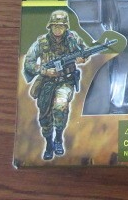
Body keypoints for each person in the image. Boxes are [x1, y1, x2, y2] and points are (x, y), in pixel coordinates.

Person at [23, 10, 87, 160]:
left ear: (66, 27)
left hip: (66, 81)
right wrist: (44, 71)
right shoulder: (41, 42)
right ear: (50, 26)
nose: (58, 29)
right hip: (46, 82)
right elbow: (28, 62)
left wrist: (82, 59)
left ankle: (58, 139)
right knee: (44, 116)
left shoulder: (73, 39)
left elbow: (85, 52)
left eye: (61, 26)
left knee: (60, 106)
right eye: (55, 26)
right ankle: (49, 144)